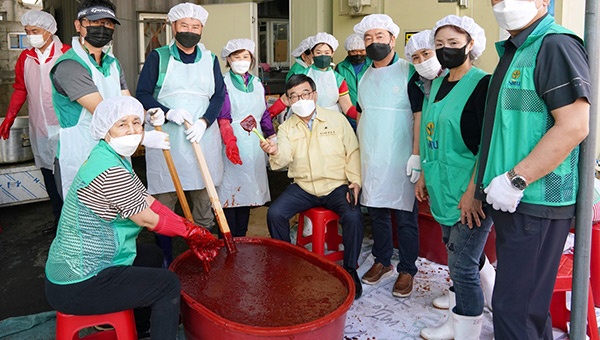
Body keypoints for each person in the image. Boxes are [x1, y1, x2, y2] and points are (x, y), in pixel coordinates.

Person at [44, 96, 220, 340]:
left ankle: (140, 327)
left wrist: (187, 226)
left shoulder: (110, 157)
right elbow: (147, 219)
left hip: (92, 262)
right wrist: (191, 233)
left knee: (151, 255)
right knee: (167, 284)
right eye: (122, 124)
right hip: (78, 281)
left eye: (137, 122)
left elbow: (148, 201)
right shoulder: (109, 169)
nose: (132, 129)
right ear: (106, 130)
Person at [476, 1, 591, 338]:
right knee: (522, 308)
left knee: (515, 312)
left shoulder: (555, 44)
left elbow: (574, 126)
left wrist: (515, 179)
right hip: (514, 200)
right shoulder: (518, 49)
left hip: (536, 198)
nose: (503, 4)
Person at [414, 15, 494, 339]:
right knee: (460, 253)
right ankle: (491, 299)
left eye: (453, 43)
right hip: (442, 186)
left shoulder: (481, 84)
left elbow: (488, 143)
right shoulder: (436, 84)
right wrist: (422, 176)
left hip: (469, 190)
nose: (445, 50)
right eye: (440, 45)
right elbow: (430, 135)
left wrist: (474, 191)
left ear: (470, 45)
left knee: (461, 264)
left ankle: (464, 329)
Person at [137, 2, 226, 266]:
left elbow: (219, 95)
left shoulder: (210, 59)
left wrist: (204, 121)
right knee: (164, 203)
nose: (190, 30)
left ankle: (205, 253)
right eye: (184, 25)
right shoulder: (158, 57)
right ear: (173, 27)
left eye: (195, 26)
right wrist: (168, 111)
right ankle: (166, 257)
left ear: (202, 30)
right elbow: (142, 93)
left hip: (201, 137)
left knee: (203, 200)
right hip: (167, 139)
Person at [261, 74, 364, 299]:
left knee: (353, 215)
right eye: (294, 96)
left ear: (315, 95)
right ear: (287, 100)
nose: (300, 99)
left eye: (305, 94)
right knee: (275, 213)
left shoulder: (336, 120)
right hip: (304, 187)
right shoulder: (287, 127)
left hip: (335, 185)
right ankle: (286, 263)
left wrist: (355, 181)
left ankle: (350, 269)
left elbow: (353, 151)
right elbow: (283, 159)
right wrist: (274, 152)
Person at [353, 14, 420, 298]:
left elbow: (419, 115)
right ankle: (382, 261)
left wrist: (416, 155)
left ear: (392, 39)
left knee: (405, 217)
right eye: (368, 38)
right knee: (377, 212)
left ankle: (407, 268)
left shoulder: (409, 71)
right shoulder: (364, 75)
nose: (373, 42)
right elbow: (360, 114)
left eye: (379, 36)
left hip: (402, 154)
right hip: (372, 155)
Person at [50, 0, 133, 200]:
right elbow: (104, 113)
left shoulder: (113, 63)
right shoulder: (70, 65)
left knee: (116, 219)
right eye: (95, 23)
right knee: (85, 223)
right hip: (81, 155)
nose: (102, 28)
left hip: (115, 152)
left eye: (108, 24)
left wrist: (149, 117)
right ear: (79, 25)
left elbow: (128, 104)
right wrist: (142, 135)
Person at [0, 10, 69, 234]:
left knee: (68, 173)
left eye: (35, 31)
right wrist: (10, 116)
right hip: (39, 126)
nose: (31, 36)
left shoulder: (67, 54)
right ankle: (59, 218)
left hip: (66, 127)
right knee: (48, 173)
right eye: (28, 32)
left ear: (49, 30)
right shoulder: (26, 57)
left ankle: (74, 221)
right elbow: (21, 88)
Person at [217, 38, 276, 237]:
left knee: (248, 193)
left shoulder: (257, 83)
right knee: (230, 191)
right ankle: (228, 237)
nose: (241, 60)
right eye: (237, 57)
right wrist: (229, 142)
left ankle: (241, 236)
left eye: (246, 57)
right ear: (228, 59)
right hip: (232, 140)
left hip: (255, 140)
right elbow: (223, 116)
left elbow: (264, 113)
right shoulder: (223, 83)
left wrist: (271, 135)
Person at [268, 32, 359, 121]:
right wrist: (265, 119)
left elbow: (348, 108)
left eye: (326, 53)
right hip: (305, 124)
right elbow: (284, 100)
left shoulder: (338, 79)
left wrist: (364, 116)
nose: (323, 56)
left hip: (331, 125)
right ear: (312, 54)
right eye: (318, 52)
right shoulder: (302, 76)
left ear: (332, 53)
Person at [335, 33, 371, 130]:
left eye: (362, 51)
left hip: (369, 115)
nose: (358, 54)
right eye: (354, 51)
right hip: (348, 115)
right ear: (348, 51)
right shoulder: (341, 67)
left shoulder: (373, 65)